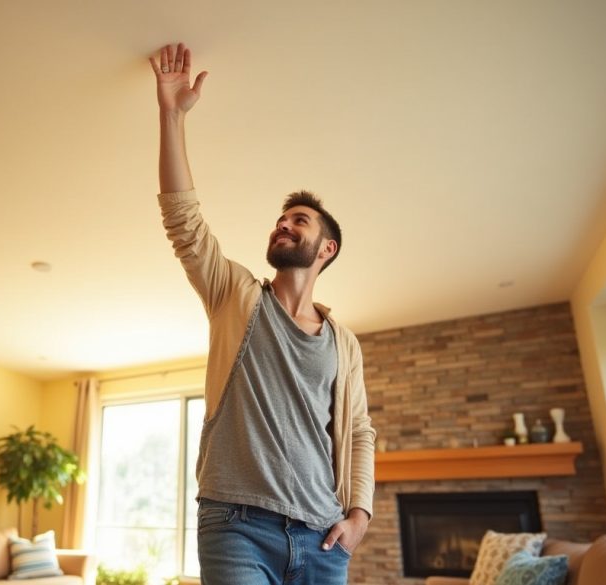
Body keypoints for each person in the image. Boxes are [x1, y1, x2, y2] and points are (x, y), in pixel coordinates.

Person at [150, 43, 376, 585]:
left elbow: (360, 430)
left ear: (327, 249)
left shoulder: (343, 342)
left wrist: (359, 516)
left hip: (323, 535)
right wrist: (171, 114)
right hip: (236, 524)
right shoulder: (238, 296)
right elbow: (184, 222)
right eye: (280, 219)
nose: (284, 224)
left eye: (299, 220)